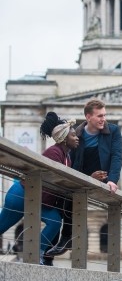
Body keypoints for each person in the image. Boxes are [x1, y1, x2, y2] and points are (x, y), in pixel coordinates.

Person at [46, 99, 122, 256]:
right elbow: (73, 164)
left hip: (104, 177)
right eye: (99, 116)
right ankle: (58, 243)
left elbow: (117, 157)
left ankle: (66, 238)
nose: (103, 119)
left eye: (104, 115)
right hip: (82, 176)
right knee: (62, 200)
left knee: (68, 200)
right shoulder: (77, 134)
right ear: (88, 117)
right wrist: (87, 177)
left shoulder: (113, 131)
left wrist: (112, 180)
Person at [0, 112, 79, 265]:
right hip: (21, 195)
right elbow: (61, 181)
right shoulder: (54, 152)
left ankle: (37, 254)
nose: (77, 138)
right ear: (63, 139)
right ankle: (36, 255)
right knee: (2, 225)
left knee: (55, 221)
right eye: (73, 135)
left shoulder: (66, 156)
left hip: (38, 200)